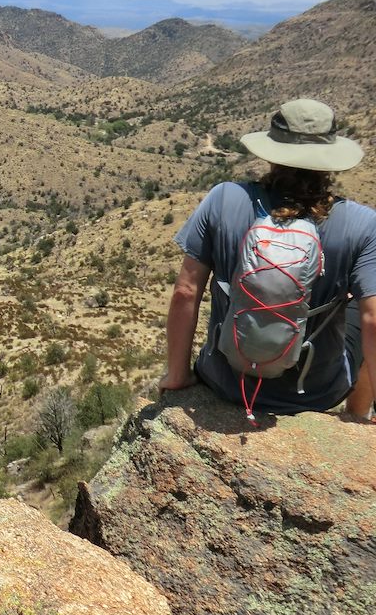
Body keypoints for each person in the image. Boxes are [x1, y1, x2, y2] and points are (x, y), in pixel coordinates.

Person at [159, 98, 376, 419]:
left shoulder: (224, 199)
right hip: (316, 392)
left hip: (226, 381)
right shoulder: (362, 223)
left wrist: (177, 375)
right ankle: (359, 414)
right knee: (361, 303)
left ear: (272, 150)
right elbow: (374, 321)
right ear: (331, 157)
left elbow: (185, 292)